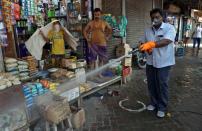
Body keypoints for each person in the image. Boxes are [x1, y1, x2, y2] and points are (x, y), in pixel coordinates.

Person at [139, 8, 176, 118]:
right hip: (150, 62)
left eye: (157, 17)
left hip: (164, 62)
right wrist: (143, 46)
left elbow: (167, 41)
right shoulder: (148, 30)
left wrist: (152, 45)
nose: (154, 19)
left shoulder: (169, 28)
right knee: (151, 84)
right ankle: (153, 103)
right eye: (152, 17)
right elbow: (142, 41)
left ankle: (162, 107)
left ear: (162, 17)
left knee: (162, 84)